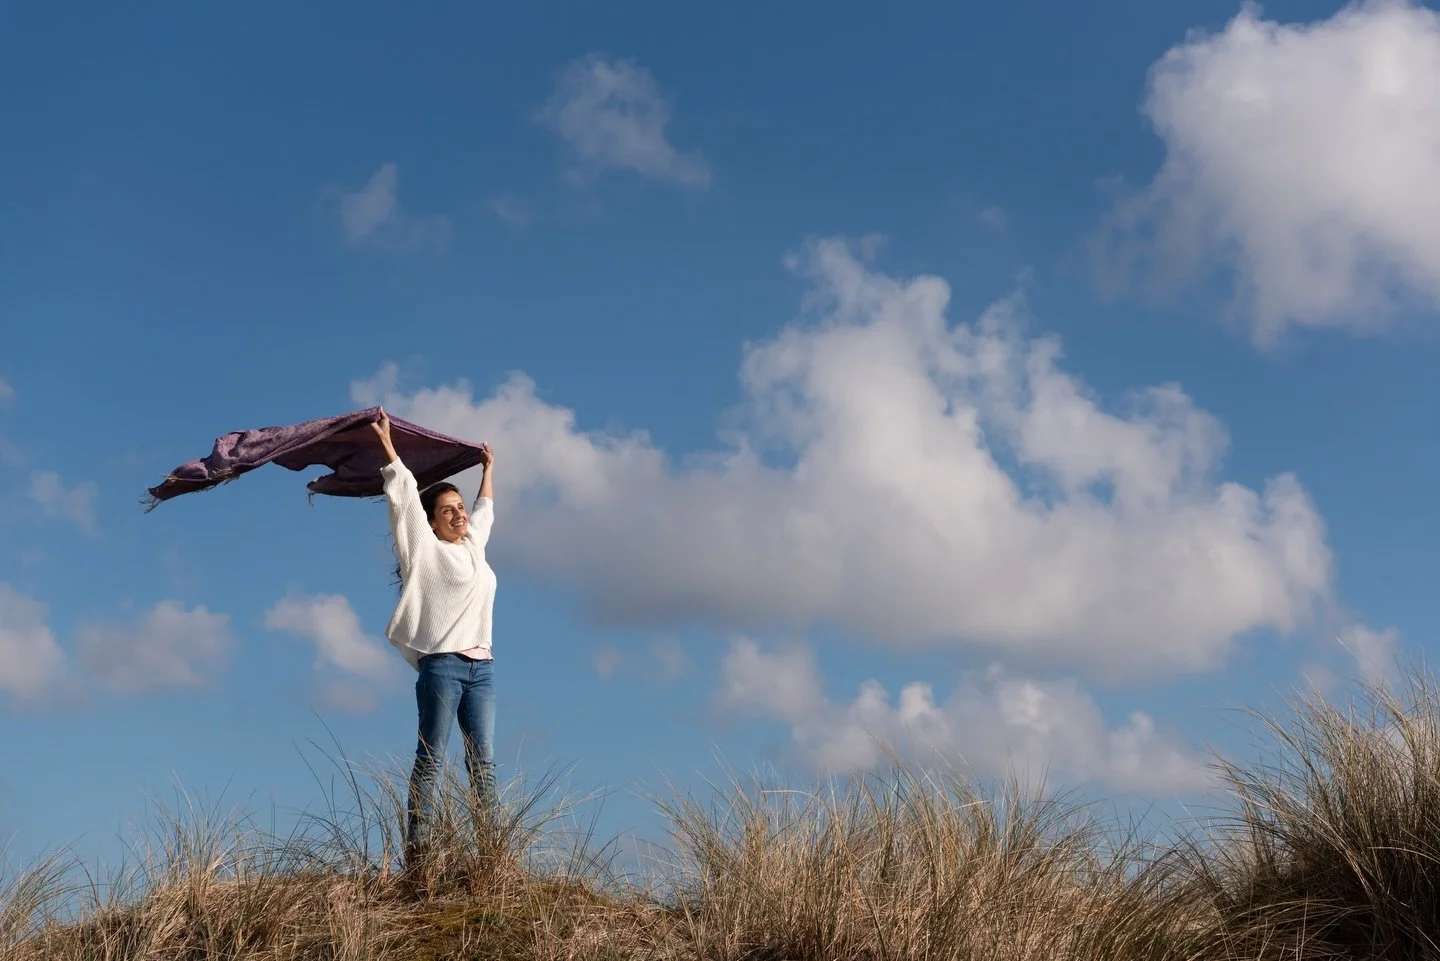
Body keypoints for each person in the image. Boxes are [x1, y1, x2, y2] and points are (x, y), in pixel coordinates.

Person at [370, 410, 497, 854]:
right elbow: (404, 499)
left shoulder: (473, 545)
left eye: (459, 507)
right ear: (433, 520)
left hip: (483, 669)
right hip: (442, 667)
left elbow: (485, 513)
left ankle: (491, 854)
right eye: (448, 511)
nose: (459, 515)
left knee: (484, 767)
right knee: (433, 761)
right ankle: (419, 855)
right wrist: (389, 446)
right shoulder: (424, 552)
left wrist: (488, 469)